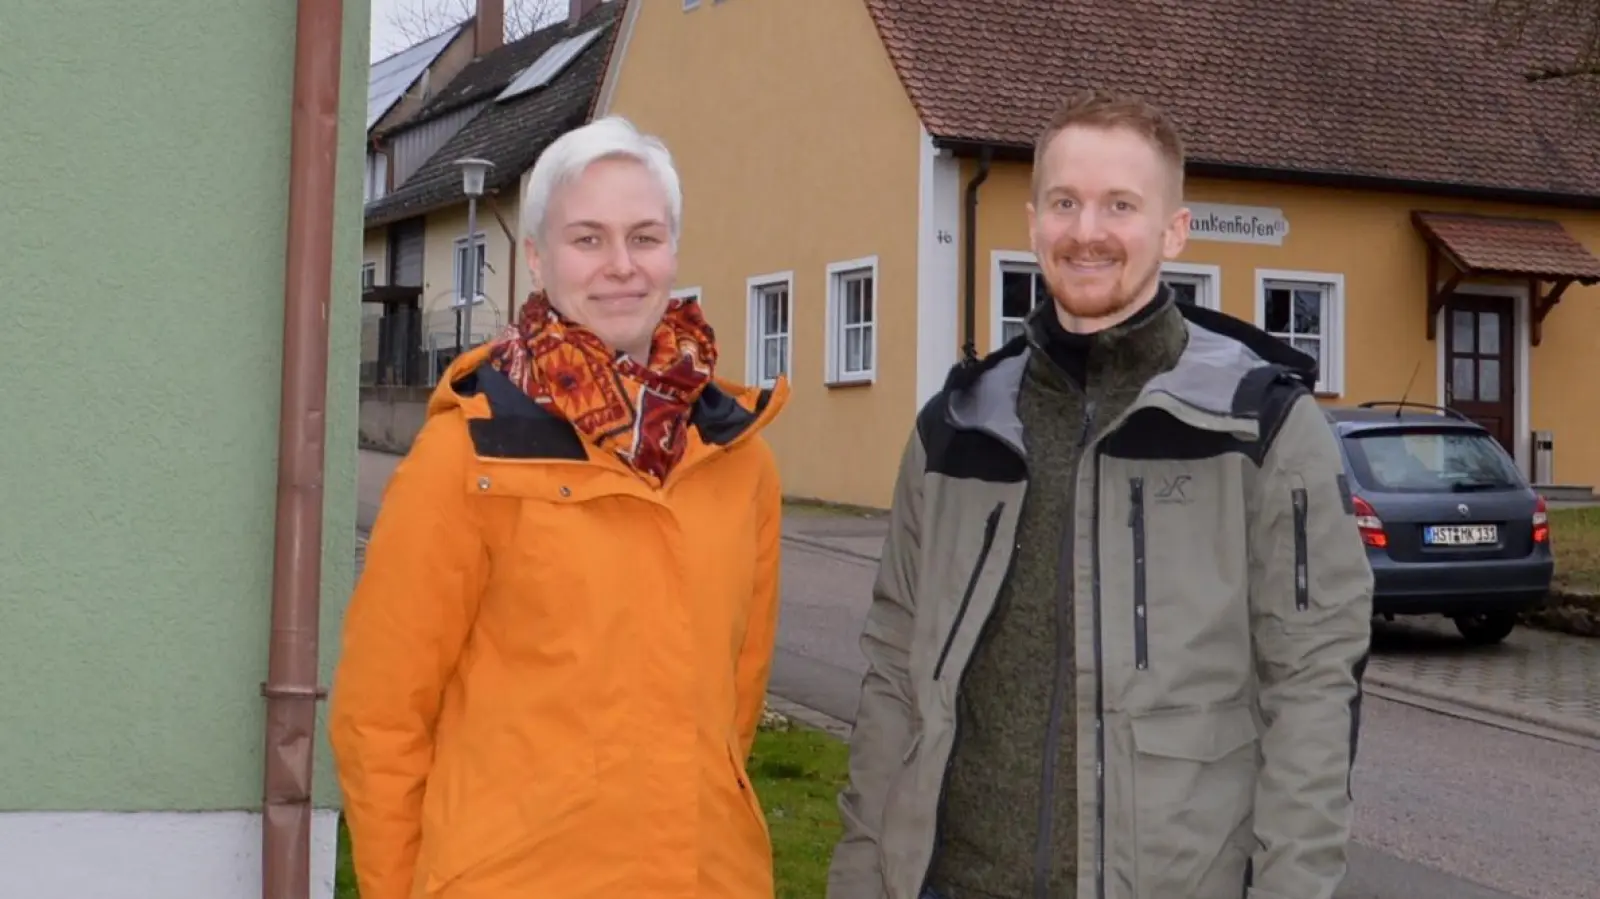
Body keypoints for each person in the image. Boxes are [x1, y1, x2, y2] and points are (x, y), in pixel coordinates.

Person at [827, 88, 1374, 899]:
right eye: (1065, 203)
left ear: (1172, 229)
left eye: (1120, 204)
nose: (1088, 232)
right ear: (1032, 219)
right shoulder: (957, 429)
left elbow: (1313, 698)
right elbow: (891, 685)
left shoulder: (1260, 431)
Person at [330, 116, 789, 899]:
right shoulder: (463, 460)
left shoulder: (737, 460)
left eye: (645, 237)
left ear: (674, 252)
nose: (621, 266)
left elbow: (730, 710)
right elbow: (381, 721)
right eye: (588, 239)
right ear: (537, 258)